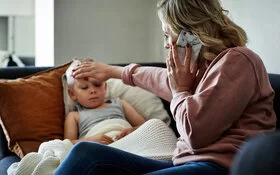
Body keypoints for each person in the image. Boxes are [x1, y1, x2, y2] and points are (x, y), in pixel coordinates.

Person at [54, 0, 276, 174]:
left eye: (168, 34)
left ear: (191, 31)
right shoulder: (202, 68)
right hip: (183, 164)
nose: (166, 44)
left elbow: (195, 134)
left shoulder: (238, 61)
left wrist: (181, 91)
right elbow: (160, 79)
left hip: (217, 167)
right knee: (85, 154)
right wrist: (114, 71)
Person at [64, 60, 146, 145]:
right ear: (72, 94)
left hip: (129, 143)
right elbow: (67, 144)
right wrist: (90, 140)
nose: (92, 91)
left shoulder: (120, 104)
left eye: (97, 85)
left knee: (156, 123)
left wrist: (132, 132)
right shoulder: (74, 116)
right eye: (84, 87)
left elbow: (146, 127)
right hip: (98, 148)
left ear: (105, 87)